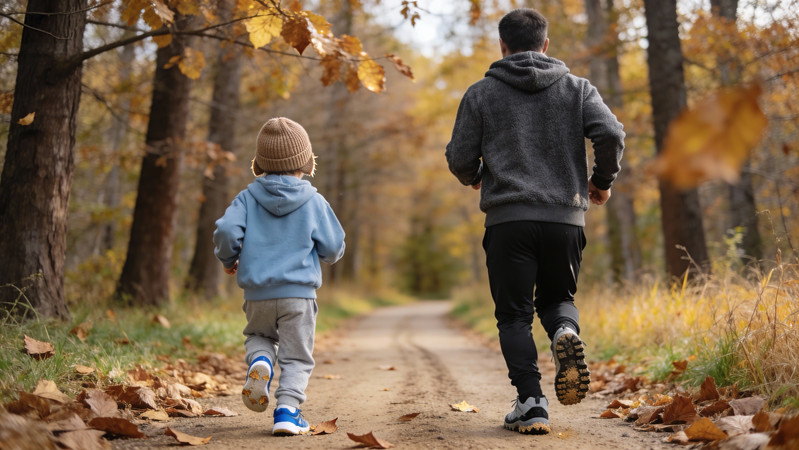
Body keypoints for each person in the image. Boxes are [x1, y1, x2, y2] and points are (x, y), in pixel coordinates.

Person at [445, 8, 625, 435]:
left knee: (514, 316)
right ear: (545, 44)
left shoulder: (481, 93)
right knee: (558, 298)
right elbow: (612, 134)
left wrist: (474, 176)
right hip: (565, 218)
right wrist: (601, 182)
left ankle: (531, 402)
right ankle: (564, 330)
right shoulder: (578, 89)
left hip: (508, 220)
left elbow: (459, 156)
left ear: (502, 45)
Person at [214, 117, 346, 436]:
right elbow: (333, 247)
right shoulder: (314, 202)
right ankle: (287, 411)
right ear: (306, 161)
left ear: (259, 163)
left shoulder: (246, 198)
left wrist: (229, 259)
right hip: (299, 296)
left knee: (258, 336)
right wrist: (328, 255)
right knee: (296, 356)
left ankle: (261, 362)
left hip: (257, 294)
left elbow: (227, 231)